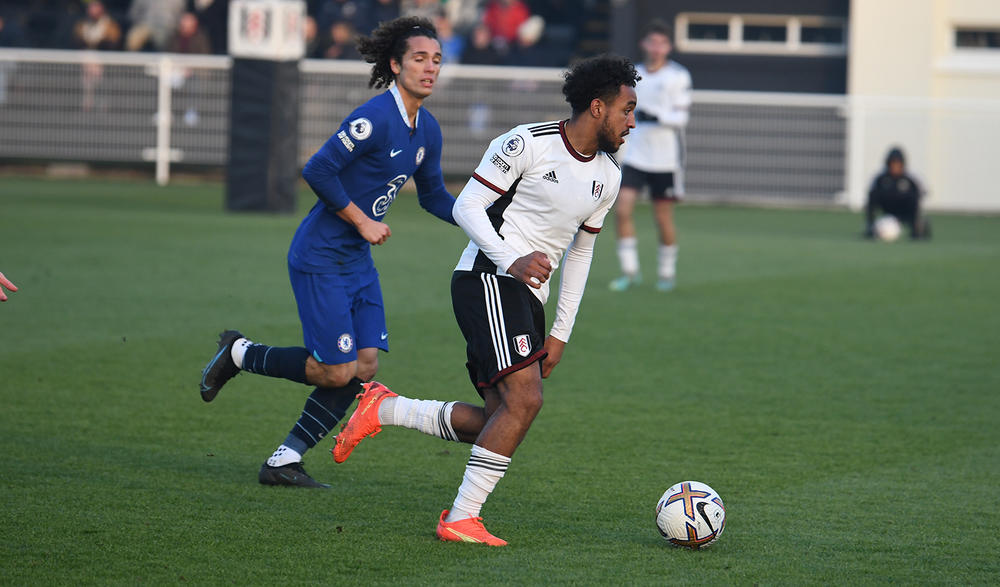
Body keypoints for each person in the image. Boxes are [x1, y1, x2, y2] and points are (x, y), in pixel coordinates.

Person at [332, 53, 640, 545]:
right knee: (526, 401)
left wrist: (560, 331)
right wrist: (510, 258)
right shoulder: (526, 143)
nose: (631, 121)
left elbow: (580, 256)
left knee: (499, 418)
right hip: (487, 279)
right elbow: (468, 205)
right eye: (627, 109)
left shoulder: (609, 175)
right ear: (598, 107)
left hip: (526, 299)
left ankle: (385, 408)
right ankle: (461, 517)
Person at [199, 16, 458, 488]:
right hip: (320, 256)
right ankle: (238, 354)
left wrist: (486, 221)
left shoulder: (428, 131)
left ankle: (283, 461)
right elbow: (317, 169)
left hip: (356, 260)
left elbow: (434, 196)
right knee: (335, 371)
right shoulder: (375, 118)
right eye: (420, 58)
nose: (430, 68)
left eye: (437, 59)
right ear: (396, 65)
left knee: (363, 366)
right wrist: (362, 220)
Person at [608, 20, 691, 292]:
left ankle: (667, 274)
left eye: (662, 43)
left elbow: (681, 116)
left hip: (665, 159)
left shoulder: (678, 76)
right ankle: (629, 272)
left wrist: (657, 116)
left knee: (662, 217)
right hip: (635, 155)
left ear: (669, 47)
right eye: (652, 42)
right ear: (644, 44)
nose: (656, 48)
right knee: (622, 210)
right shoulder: (634, 76)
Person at [865, 147, 931, 240]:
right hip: (888, 209)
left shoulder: (912, 176)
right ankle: (871, 226)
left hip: (906, 210)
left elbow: (924, 192)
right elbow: (871, 191)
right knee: (873, 196)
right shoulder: (881, 177)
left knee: (913, 198)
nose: (895, 167)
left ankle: (917, 227)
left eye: (897, 164)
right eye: (892, 164)